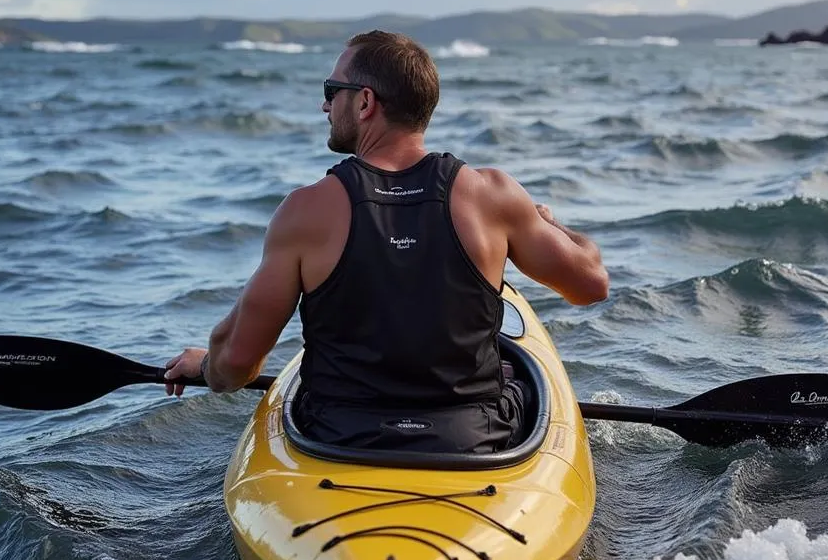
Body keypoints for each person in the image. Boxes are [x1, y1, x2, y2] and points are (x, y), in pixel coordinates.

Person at [164, 30, 608, 453]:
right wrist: (552, 225)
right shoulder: (493, 195)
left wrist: (208, 365)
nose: (324, 105)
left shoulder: (305, 211)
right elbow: (591, 286)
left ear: (365, 102)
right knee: (515, 377)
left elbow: (236, 366)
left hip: (340, 438)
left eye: (331, 90)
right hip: (471, 437)